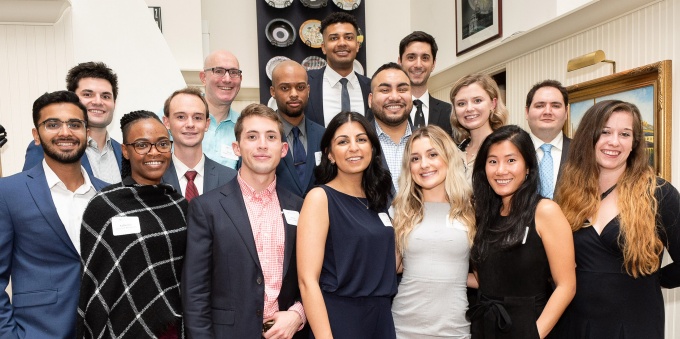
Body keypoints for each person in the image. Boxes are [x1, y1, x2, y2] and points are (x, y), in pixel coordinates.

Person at [554, 100, 680, 339]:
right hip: (575, 323)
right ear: (588, 137)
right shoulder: (568, 192)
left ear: (634, 143)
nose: (614, 142)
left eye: (624, 134)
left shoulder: (658, 194)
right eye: (605, 132)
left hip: (634, 324)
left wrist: (652, 278)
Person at [183, 104, 306, 338]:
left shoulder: (300, 207)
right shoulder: (206, 208)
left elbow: (313, 276)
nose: (262, 144)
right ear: (237, 148)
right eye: (252, 136)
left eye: (271, 137)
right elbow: (195, 292)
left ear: (283, 149)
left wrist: (299, 313)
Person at [0, 91, 107, 338]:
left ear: (87, 132)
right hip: (37, 331)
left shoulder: (108, 195)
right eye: (52, 124)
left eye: (74, 124)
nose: (65, 132)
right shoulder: (8, 193)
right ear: (36, 135)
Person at [77, 111, 188, 338]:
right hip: (120, 328)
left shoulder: (180, 205)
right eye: (142, 145)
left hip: (174, 329)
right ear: (126, 151)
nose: (154, 152)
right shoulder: (105, 206)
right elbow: (94, 284)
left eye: (162, 144)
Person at [467, 125, 575, 338]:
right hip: (485, 325)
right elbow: (485, 277)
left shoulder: (545, 211)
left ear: (527, 167)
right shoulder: (482, 214)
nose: (501, 170)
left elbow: (566, 286)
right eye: (492, 161)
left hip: (529, 326)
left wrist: (534, 334)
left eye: (511, 160)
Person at [297, 112, 396, 339]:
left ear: (372, 147)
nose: (354, 148)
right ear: (330, 154)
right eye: (343, 141)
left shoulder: (378, 201)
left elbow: (389, 262)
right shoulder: (320, 198)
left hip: (381, 318)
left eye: (361, 139)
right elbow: (307, 281)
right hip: (339, 320)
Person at [391, 125, 475, 338]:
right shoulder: (402, 212)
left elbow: (486, 277)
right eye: (415, 158)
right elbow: (393, 267)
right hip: (404, 326)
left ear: (448, 157)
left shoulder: (471, 211)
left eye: (432, 154)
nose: (424, 164)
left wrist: (449, 275)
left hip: (455, 328)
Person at [23, 61, 123, 183]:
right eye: (87, 94)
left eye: (105, 96)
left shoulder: (124, 152)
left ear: (114, 103)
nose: (98, 102)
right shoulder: (46, 146)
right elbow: (31, 191)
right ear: (73, 100)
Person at [161, 87, 236, 200]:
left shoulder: (230, 179)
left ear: (207, 124)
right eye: (181, 117)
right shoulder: (154, 177)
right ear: (167, 122)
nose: (190, 124)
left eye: (197, 117)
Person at [305, 12, 371, 126]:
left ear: (357, 46)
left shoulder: (371, 87)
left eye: (348, 37)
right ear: (324, 47)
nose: (342, 43)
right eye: (334, 38)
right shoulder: (306, 84)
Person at [271, 60, 326, 197]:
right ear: (273, 91)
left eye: (300, 87)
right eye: (285, 88)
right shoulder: (262, 137)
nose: (294, 94)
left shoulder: (324, 136)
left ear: (308, 90)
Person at [449, 73, 507, 181]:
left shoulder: (506, 147)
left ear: (493, 104)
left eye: (477, 101)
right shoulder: (453, 153)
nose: (469, 108)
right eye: (461, 104)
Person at [398, 31, 453, 134]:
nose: (418, 64)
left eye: (425, 58)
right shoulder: (390, 109)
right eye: (411, 57)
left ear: (433, 64)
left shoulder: (449, 112)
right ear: (400, 62)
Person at [369, 62, 413, 191]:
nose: (394, 97)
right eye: (385, 90)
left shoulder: (430, 143)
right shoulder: (357, 145)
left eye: (402, 89)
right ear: (370, 100)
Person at [525, 80, 571, 199]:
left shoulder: (583, 151)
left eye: (555, 106)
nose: (547, 112)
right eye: (540, 106)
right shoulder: (513, 151)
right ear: (527, 112)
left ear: (566, 112)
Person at [200, 50, 243, 168]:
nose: (227, 79)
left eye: (234, 72)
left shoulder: (244, 126)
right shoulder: (176, 118)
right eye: (219, 71)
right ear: (203, 77)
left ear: (241, 79)